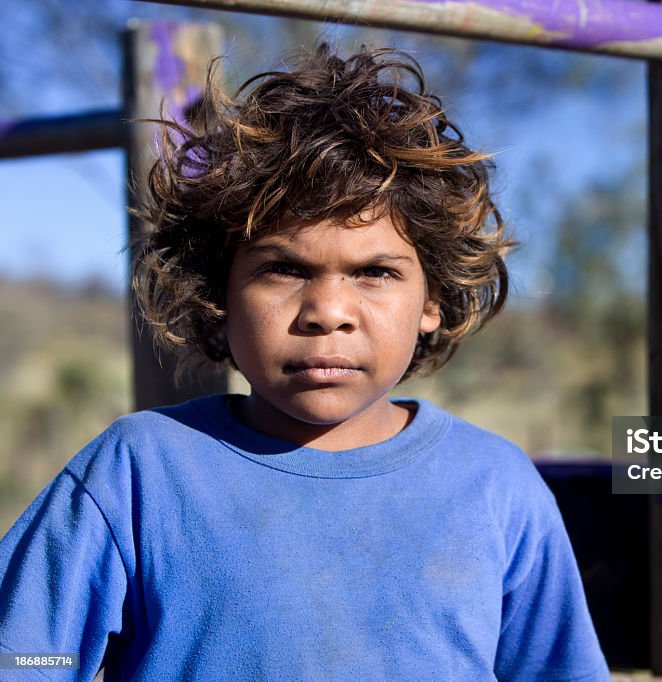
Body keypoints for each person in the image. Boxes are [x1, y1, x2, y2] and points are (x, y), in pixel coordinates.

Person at [0, 46, 609, 681]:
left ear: (431, 300)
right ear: (218, 294)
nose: (327, 311)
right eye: (283, 269)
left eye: (375, 272)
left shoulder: (496, 487)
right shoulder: (138, 472)